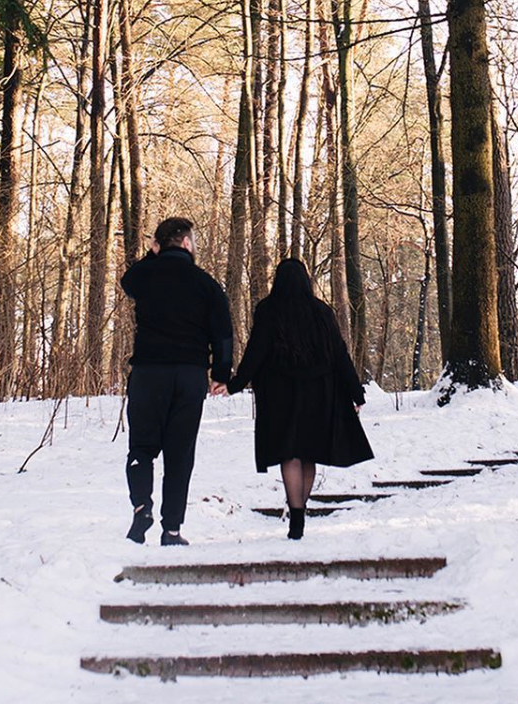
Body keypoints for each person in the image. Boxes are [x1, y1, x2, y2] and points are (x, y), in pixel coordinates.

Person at [226, 258, 372, 540]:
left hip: (280, 394)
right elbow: (340, 354)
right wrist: (355, 391)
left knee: (288, 452)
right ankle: (300, 511)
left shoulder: (268, 311)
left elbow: (255, 353)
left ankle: (296, 515)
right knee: (308, 453)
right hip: (319, 392)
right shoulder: (321, 312)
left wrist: (235, 384)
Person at [120, 215, 232, 546]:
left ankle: (142, 507)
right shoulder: (206, 283)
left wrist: (151, 255)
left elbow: (129, 282)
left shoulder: (145, 276)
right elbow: (223, 333)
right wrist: (221, 374)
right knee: (180, 453)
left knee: (141, 446)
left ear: (159, 244)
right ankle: (172, 530)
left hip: (148, 373)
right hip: (189, 374)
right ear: (185, 243)